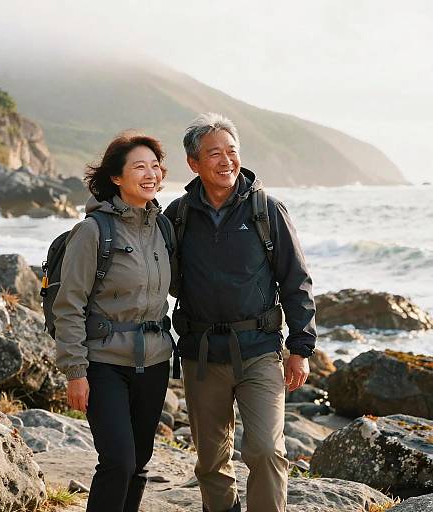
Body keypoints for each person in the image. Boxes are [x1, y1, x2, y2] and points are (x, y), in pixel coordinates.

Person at [164, 113, 317, 512]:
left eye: (232, 151)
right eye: (214, 153)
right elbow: (151, 275)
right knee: (211, 460)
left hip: (260, 351)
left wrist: (300, 347)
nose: (226, 160)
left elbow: (295, 279)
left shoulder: (266, 210)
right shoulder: (177, 216)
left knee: (266, 449)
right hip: (200, 355)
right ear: (193, 163)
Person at [53, 133, 175, 512]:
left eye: (155, 166)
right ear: (117, 178)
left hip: (154, 364)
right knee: (118, 462)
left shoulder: (164, 228)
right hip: (105, 365)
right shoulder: (93, 232)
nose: (150, 173)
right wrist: (75, 371)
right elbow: (69, 304)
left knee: (138, 465)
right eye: (139, 166)